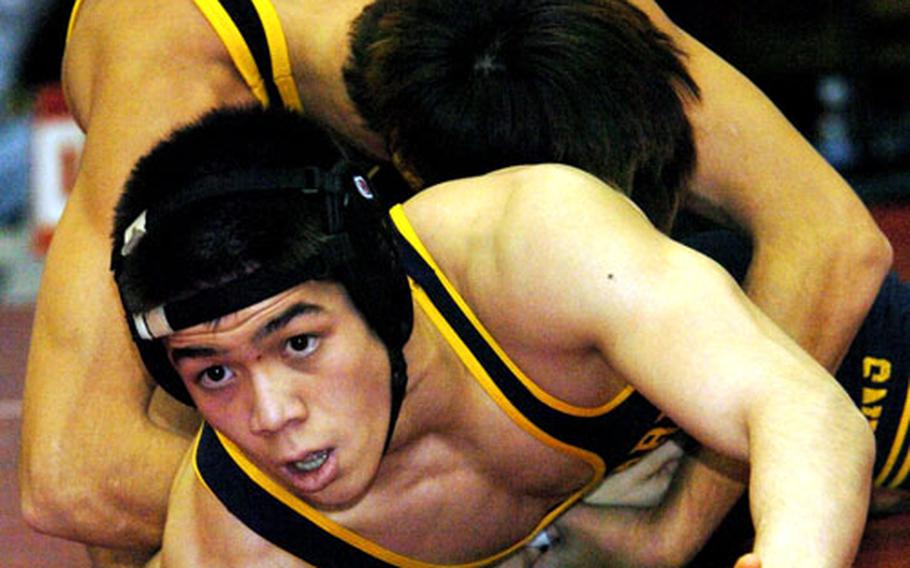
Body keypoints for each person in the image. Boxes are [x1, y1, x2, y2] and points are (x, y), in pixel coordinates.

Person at [19, 0, 890, 564]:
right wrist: (453, 518)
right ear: (404, 176)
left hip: (652, 368)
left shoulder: (578, 36)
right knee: (224, 367)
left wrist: (678, 525)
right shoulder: (170, 62)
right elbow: (75, 477)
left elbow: (834, 244)